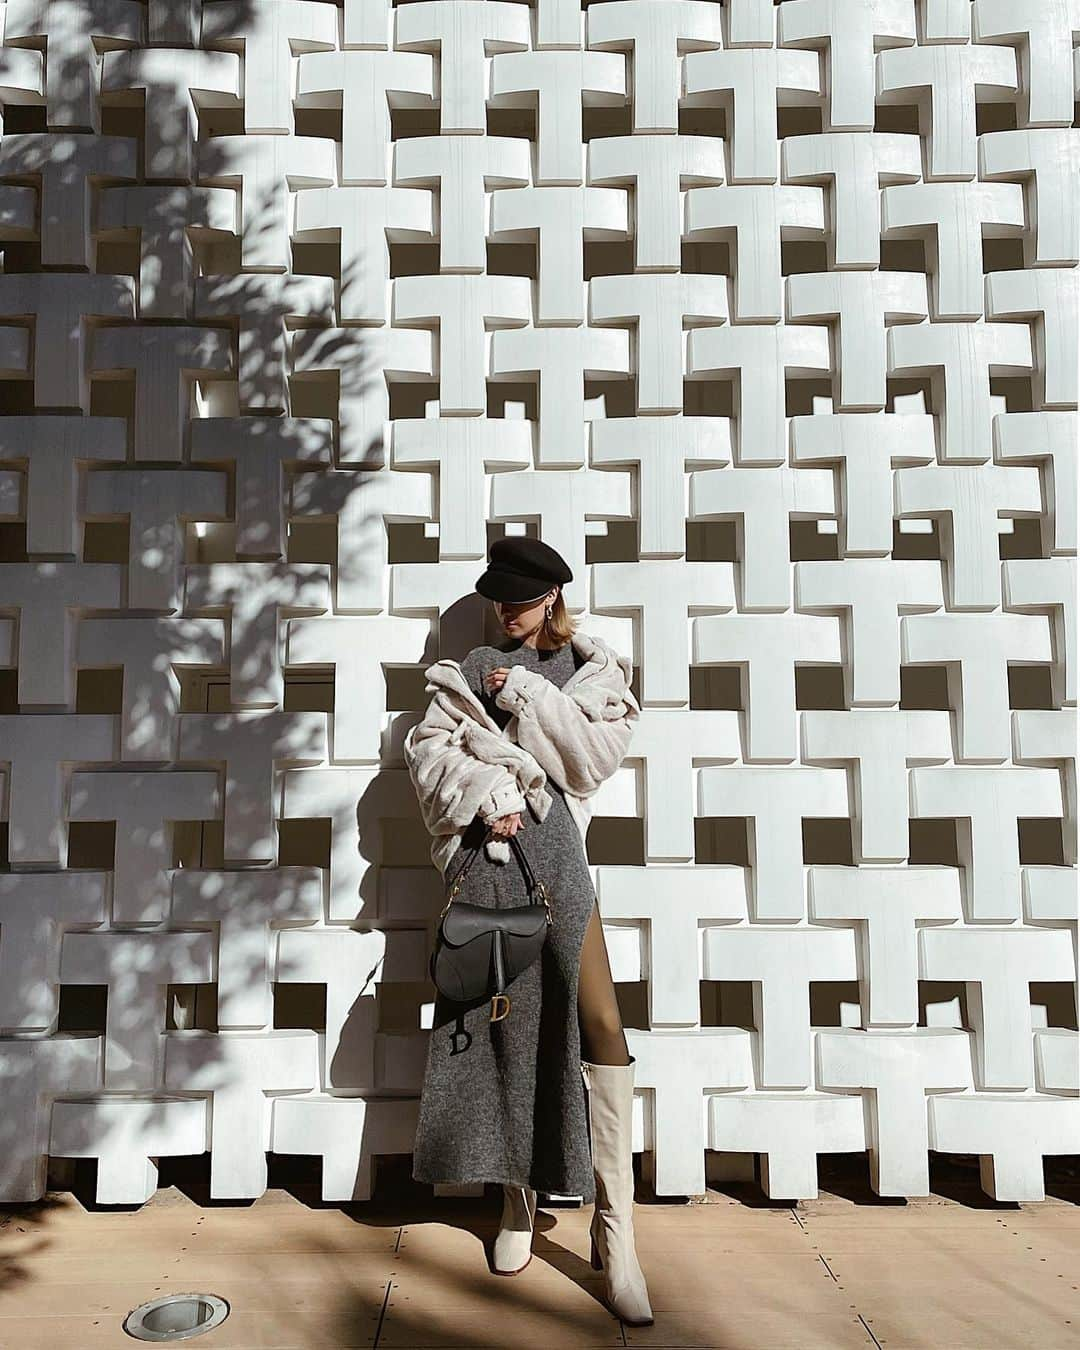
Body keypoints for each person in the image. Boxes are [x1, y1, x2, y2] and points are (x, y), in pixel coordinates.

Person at [403, 536, 653, 1326]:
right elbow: (427, 755)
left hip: (562, 865)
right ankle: (516, 1203)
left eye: (520, 600)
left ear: (552, 599)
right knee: (510, 1029)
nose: (505, 613)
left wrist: (530, 702)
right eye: (497, 601)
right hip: (493, 864)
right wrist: (487, 787)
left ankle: (617, 1234)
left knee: (602, 1025)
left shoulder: (590, 671)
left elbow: (592, 762)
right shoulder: (468, 670)